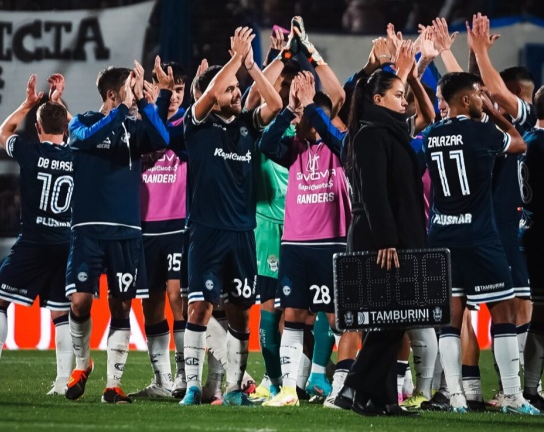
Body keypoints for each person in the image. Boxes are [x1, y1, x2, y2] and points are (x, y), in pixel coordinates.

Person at [422, 71, 538, 415]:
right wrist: (493, 112)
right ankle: (513, 395)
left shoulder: (431, 135)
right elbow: (519, 143)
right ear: (467, 99)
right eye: (477, 94)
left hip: (441, 236)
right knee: (503, 311)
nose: (481, 98)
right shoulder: (483, 131)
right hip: (479, 236)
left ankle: (456, 396)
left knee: (450, 319)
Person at [179, 26, 282, 406]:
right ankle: (192, 386)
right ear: (211, 96)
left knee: (240, 314)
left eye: (238, 89)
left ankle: (235, 389)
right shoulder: (197, 124)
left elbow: (275, 105)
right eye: (230, 90)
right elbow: (208, 94)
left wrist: (251, 67)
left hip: (242, 233)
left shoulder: (246, 126)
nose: (237, 93)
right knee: (200, 308)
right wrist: (236, 58)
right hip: (206, 231)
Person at [0, 74, 74, 395]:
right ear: (65, 128)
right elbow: (79, 130)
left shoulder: (29, 152)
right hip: (66, 243)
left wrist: (27, 104)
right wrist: (59, 106)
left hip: (33, 242)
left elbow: (2, 132)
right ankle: (62, 381)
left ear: (37, 128)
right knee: (61, 314)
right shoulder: (78, 155)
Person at [64, 61, 169, 404]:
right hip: (88, 229)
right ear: (112, 93)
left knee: (122, 304)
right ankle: (82, 364)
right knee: (79, 301)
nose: (134, 95)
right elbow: (85, 140)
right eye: (130, 88)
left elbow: (163, 139)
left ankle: (113, 383)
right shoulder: (82, 122)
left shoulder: (135, 129)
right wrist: (123, 109)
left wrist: (149, 103)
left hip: (126, 230)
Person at [333, 70, 426, 417]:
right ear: (378, 100)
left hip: (394, 237)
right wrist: (387, 240)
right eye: (398, 95)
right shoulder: (371, 134)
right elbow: (374, 194)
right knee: (391, 319)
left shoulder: (388, 132)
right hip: (380, 240)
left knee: (393, 319)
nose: (404, 101)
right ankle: (354, 388)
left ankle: (382, 399)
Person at [259, 71, 351, 407]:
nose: (296, 122)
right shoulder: (294, 148)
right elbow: (265, 144)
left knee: (336, 317)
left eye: (302, 116)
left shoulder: (341, 146)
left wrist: (312, 106)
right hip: (295, 244)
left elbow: (338, 139)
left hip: (331, 243)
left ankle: (336, 384)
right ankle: (288, 390)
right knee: (293, 315)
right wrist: (289, 110)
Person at [468, 13, 541, 409]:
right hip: (505, 226)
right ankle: (512, 389)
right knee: (512, 306)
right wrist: (476, 55)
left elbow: (488, 90)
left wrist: (478, 53)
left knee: (523, 306)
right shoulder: (502, 128)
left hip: (520, 225)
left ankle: (519, 388)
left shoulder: (524, 124)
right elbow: (479, 91)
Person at [128, 57, 188, 400]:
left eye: (179, 89)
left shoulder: (188, 123)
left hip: (178, 225)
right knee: (150, 305)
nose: (175, 96)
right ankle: (161, 379)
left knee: (178, 297)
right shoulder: (140, 124)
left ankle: (183, 376)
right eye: (169, 89)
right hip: (145, 227)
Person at [519, 84, 544, 410]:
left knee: (542, 313)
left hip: (532, 233)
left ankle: (530, 389)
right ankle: (529, 389)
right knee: (541, 314)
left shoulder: (527, 139)